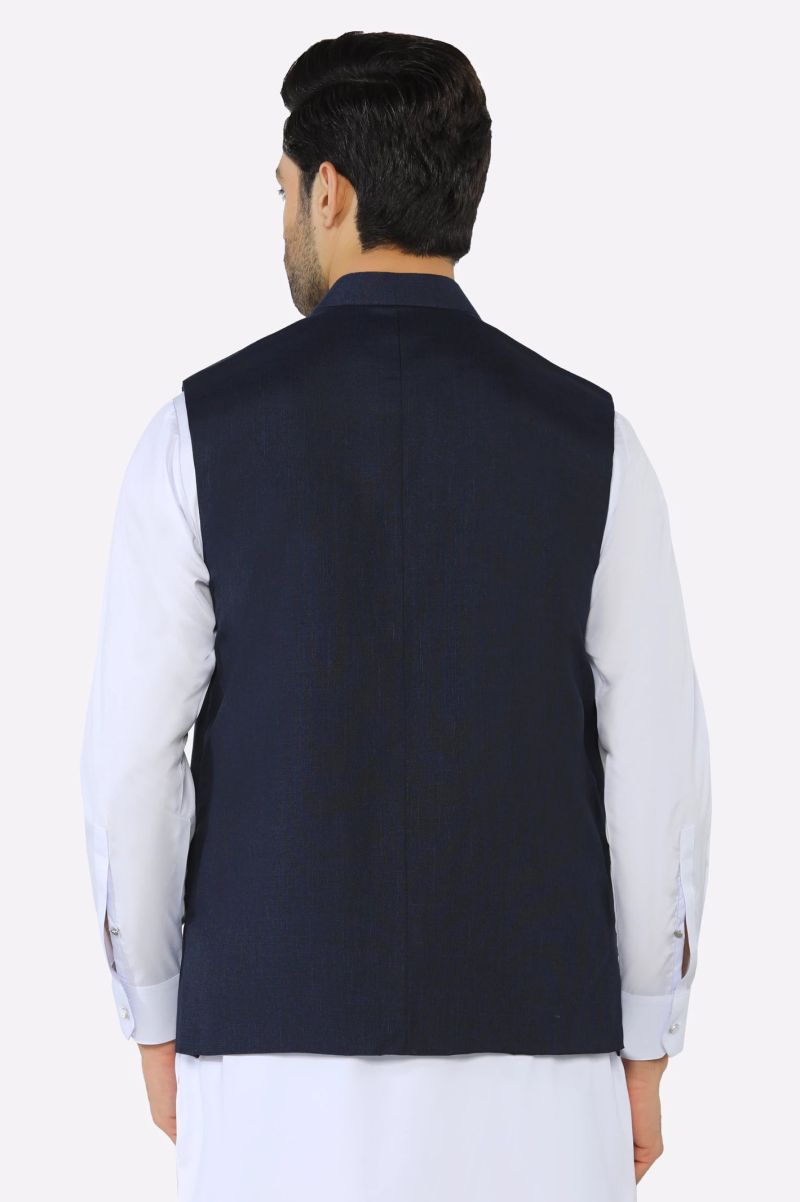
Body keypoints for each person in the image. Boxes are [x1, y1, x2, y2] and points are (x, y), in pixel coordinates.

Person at [80, 30, 712, 1202]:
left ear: (328, 192)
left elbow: (131, 762)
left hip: (268, 1063)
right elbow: (655, 771)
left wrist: (153, 1011)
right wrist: (644, 1040)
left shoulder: (194, 436)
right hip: (539, 1060)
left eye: (281, 190)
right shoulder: (594, 442)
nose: (281, 217)